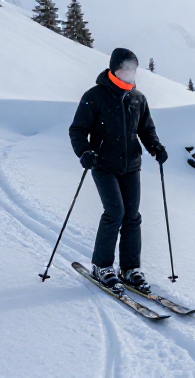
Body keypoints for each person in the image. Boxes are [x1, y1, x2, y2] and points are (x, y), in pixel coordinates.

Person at [68, 48, 167, 293]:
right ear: (114, 69)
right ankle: (102, 267)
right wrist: (84, 152)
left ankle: (130, 269)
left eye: (132, 70)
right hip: (103, 164)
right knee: (115, 212)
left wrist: (155, 146)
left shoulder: (138, 98)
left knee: (132, 216)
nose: (129, 74)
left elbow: (146, 129)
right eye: (124, 69)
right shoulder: (95, 96)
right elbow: (77, 130)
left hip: (131, 165)